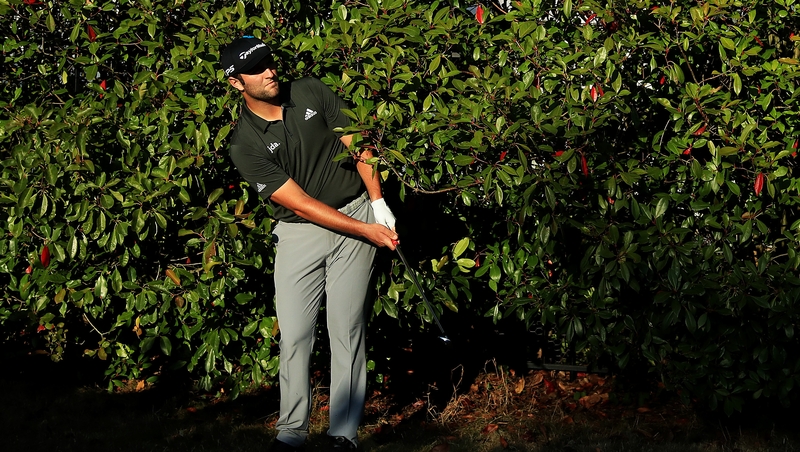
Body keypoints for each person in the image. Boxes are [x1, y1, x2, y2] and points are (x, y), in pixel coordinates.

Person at [220, 36, 398, 451]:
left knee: (346, 328)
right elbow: (298, 204)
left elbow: (358, 142)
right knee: (297, 333)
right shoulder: (244, 143)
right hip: (301, 234)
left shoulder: (310, 90)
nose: (269, 72)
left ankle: (343, 433)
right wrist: (368, 231)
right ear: (236, 84)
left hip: (356, 210)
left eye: (269, 62)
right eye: (257, 69)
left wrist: (377, 202)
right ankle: (292, 431)